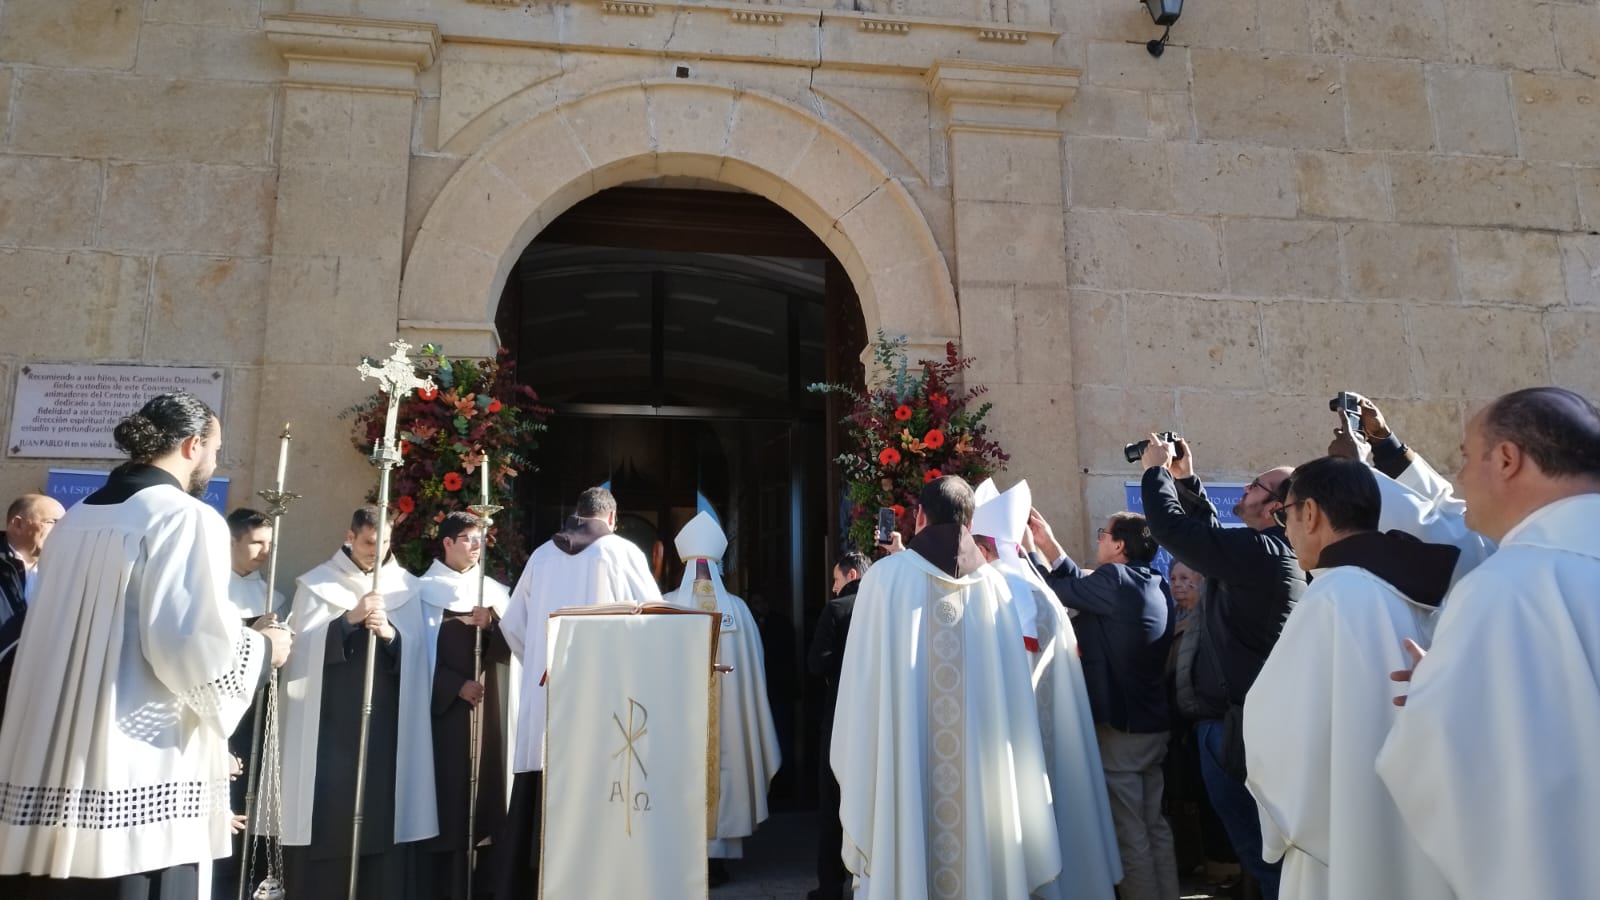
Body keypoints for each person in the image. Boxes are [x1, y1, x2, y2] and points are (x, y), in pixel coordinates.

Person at [0, 392, 290, 899]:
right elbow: (187, 645)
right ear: (192, 445)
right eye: (216, 449)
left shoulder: (76, 518)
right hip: (133, 770)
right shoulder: (185, 516)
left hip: (50, 760)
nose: (216, 461)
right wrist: (264, 649)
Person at [1377, 387, 1600, 900]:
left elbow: (1443, 773)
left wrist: (1440, 698)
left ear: (1506, 459)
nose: (1458, 478)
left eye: (1464, 457)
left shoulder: (1506, 587)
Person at [832, 476, 1062, 899]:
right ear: (970, 522)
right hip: (982, 770)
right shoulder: (996, 588)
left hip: (904, 768)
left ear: (919, 516)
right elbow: (1014, 701)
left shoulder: (884, 579)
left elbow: (860, 687)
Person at [1245, 456, 1456, 900]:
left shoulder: (1331, 595)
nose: (1284, 529)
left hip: (1343, 831)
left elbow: (1273, 729)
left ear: (1312, 512)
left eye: (1284, 514)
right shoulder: (1417, 590)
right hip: (1415, 821)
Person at [1139, 434, 1305, 900]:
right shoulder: (1261, 553)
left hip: (1236, 732)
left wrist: (1154, 473)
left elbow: (1182, 536)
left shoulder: (1264, 555)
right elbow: (1211, 537)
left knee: (1265, 858)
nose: (1246, 490)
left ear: (1276, 509)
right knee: (1262, 854)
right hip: (1234, 727)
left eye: (1256, 485)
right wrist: (1185, 479)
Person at [496, 486, 659, 897]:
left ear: (577, 515)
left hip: (546, 695)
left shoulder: (541, 556)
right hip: (602, 696)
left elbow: (512, 626)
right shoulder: (622, 554)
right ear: (612, 519)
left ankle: (529, 884)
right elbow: (656, 620)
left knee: (540, 785)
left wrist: (538, 661)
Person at [974, 482, 1121, 900]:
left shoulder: (999, 590)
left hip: (1020, 742)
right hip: (1053, 742)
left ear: (985, 548)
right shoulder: (1038, 588)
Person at [280, 506, 437, 900]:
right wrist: (348, 620)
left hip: (387, 725)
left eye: (385, 542)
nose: (377, 551)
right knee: (331, 813)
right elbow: (299, 651)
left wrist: (390, 634)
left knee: (383, 812)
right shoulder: (317, 584)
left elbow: (419, 656)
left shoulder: (406, 586)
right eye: (369, 542)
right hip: (331, 724)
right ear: (350, 536)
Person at [1028, 508, 1176, 900]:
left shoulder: (1113, 580)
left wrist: (1022, 552)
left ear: (1119, 544)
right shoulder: (1154, 583)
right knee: (1153, 823)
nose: (1098, 540)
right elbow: (1083, 585)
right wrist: (1048, 544)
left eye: (1102, 534)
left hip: (1122, 731)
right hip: (1153, 724)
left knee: (1130, 832)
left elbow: (1056, 591)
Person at [664, 511, 782, 886]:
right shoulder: (740, 611)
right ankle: (717, 861)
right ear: (717, 564)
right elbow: (755, 671)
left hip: (677, 717)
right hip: (728, 716)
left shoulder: (664, 606)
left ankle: (680, 856)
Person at [217, 507, 288, 900]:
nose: (264, 552)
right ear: (232, 542)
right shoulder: (209, 590)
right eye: (257, 542)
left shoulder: (272, 595)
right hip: (219, 711)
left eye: (270, 545)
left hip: (257, 716)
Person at [806, 550, 869, 900]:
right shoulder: (883, 607)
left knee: (832, 802)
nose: (833, 587)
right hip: (875, 716)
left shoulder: (836, 610)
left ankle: (831, 887)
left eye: (836, 579)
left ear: (852, 577)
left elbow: (817, 664)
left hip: (839, 716)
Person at [0, 493, 65, 726]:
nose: (61, 531)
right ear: (18, 524)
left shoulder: (62, 571)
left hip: (37, 692)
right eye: (54, 523)